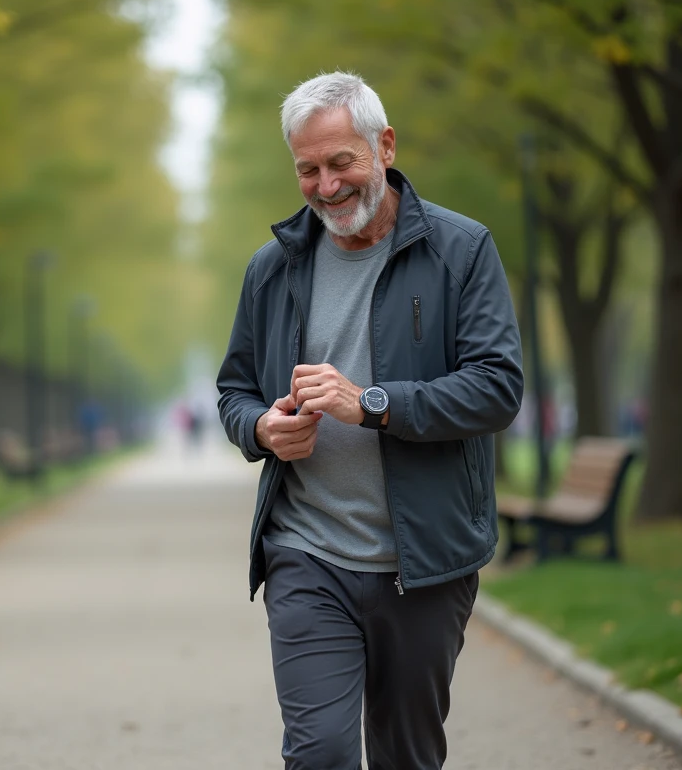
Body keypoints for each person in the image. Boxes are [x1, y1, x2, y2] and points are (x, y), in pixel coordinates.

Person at [215, 72, 523, 770]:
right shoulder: (272, 268)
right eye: (308, 169)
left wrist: (374, 404)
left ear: (384, 146)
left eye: (341, 162)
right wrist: (262, 429)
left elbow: (498, 388)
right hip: (306, 553)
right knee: (319, 753)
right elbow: (234, 390)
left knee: (406, 757)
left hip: (423, 562)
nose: (327, 186)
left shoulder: (462, 250)